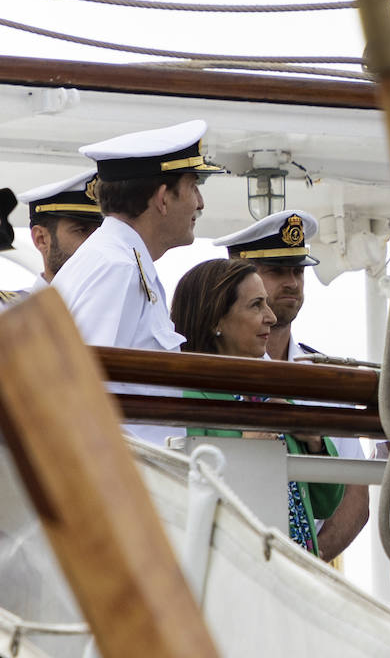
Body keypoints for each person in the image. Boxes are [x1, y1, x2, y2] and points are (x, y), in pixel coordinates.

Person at [52, 120, 225, 444]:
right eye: (193, 186)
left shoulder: (116, 260)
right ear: (162, 198)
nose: (199, 203)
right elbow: (86, 396)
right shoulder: (117, 269)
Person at [214, 210, 369, 563]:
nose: (292, 283)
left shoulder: (327, 378)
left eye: (298, 271)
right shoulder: (209, 373)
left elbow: (355, 495)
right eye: (276, 271)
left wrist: (307, 561)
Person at [169, 258, 343, 557]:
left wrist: (315, 443)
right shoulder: (185, 401)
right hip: (235, 575)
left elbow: (326, 504)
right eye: (256, 305)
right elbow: (179, 502)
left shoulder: (271, 395)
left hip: (292, 573)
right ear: (216, 320)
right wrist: (242, 451)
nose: (271, 317)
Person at [13, 170, 103, 292]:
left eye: (102, 232)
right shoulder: (10, 309)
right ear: (41, 239)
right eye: (82, 230)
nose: (96, 241)